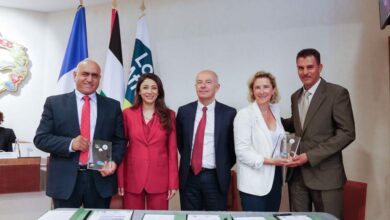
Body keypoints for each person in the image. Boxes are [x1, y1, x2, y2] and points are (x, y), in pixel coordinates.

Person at [34, 59, 126, 208]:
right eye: (85, 74)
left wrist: (113, 161)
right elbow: (41, 139)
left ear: (99, 78)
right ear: (75, 75)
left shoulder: (112, 106)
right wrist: (70, 144)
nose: (90, 79)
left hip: (99, 179)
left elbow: (119, 140)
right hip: (65, 181)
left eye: (94, 75)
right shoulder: (55, 104)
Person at [282, 48, 355, 219]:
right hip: (297, 177)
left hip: (326, 176)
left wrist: (310, 156)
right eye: (301, 68)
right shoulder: (295, 96)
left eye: (310, 67)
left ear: (320, 67)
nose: (305, 72)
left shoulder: (337, 93)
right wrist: (268, 115)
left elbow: (347, 133)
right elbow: (298, 124)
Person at [176, 70, 236, 211]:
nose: (203, 86)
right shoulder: (184, 111)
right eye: (199, 82)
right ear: (195, 86)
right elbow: (181, 143)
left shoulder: (229, 113)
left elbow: (232, 148)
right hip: (189, 176)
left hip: (215, 177)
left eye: (208, 82)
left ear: (217, 87)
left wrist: (222, 164)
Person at [117, 73, 179, 210]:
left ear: (159, 92)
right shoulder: (127, 114)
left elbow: (172, 152)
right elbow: (120, 147)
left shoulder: (170, 115)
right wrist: (120, 180)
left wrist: (173, 183)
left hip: (160, 179)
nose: (149, 92)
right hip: (132, 178)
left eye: (154, 88)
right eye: (145, 87)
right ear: (139, 91)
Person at [234, 71, 290, 211]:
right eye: (257, 87)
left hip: (275, 179)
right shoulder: (245, 115)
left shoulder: (275, 111)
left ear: (273, 90)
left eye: (266, 87)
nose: (261, 91)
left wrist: (285, 156)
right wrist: (272, 161)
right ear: (252, 91)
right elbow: (242, 152)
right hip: (253, 183)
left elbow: (277, 142)